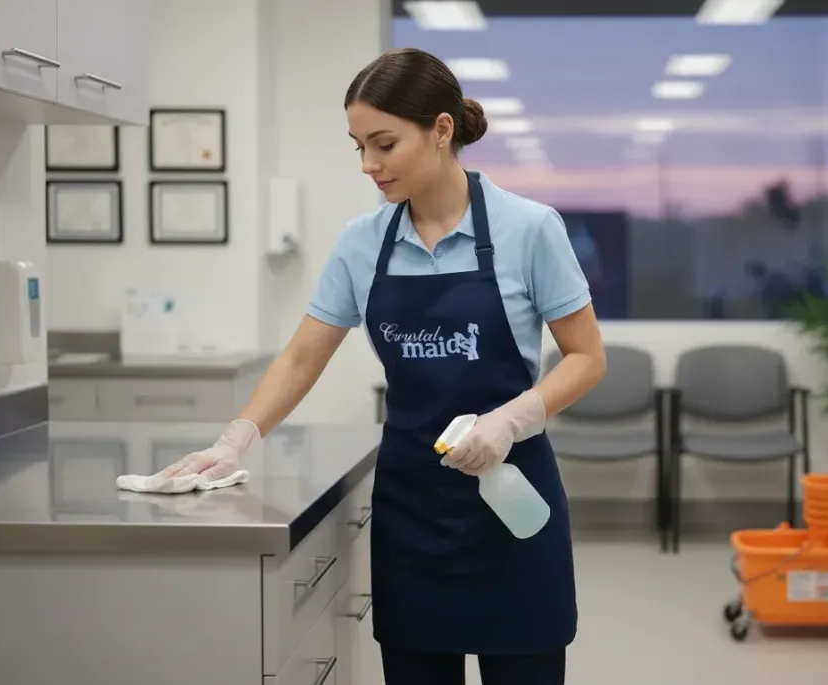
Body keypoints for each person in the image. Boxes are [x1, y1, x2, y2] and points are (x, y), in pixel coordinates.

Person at [158, 47, 607, 685]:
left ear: (442, 130)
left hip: (513, 506)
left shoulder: (529, 229)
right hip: (413, 512)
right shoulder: (362, 243)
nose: (369, 164)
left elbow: (588, 357)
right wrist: (238, 439)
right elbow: (301, 358)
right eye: (358, 147)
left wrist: (512, 419)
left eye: (385, 144)